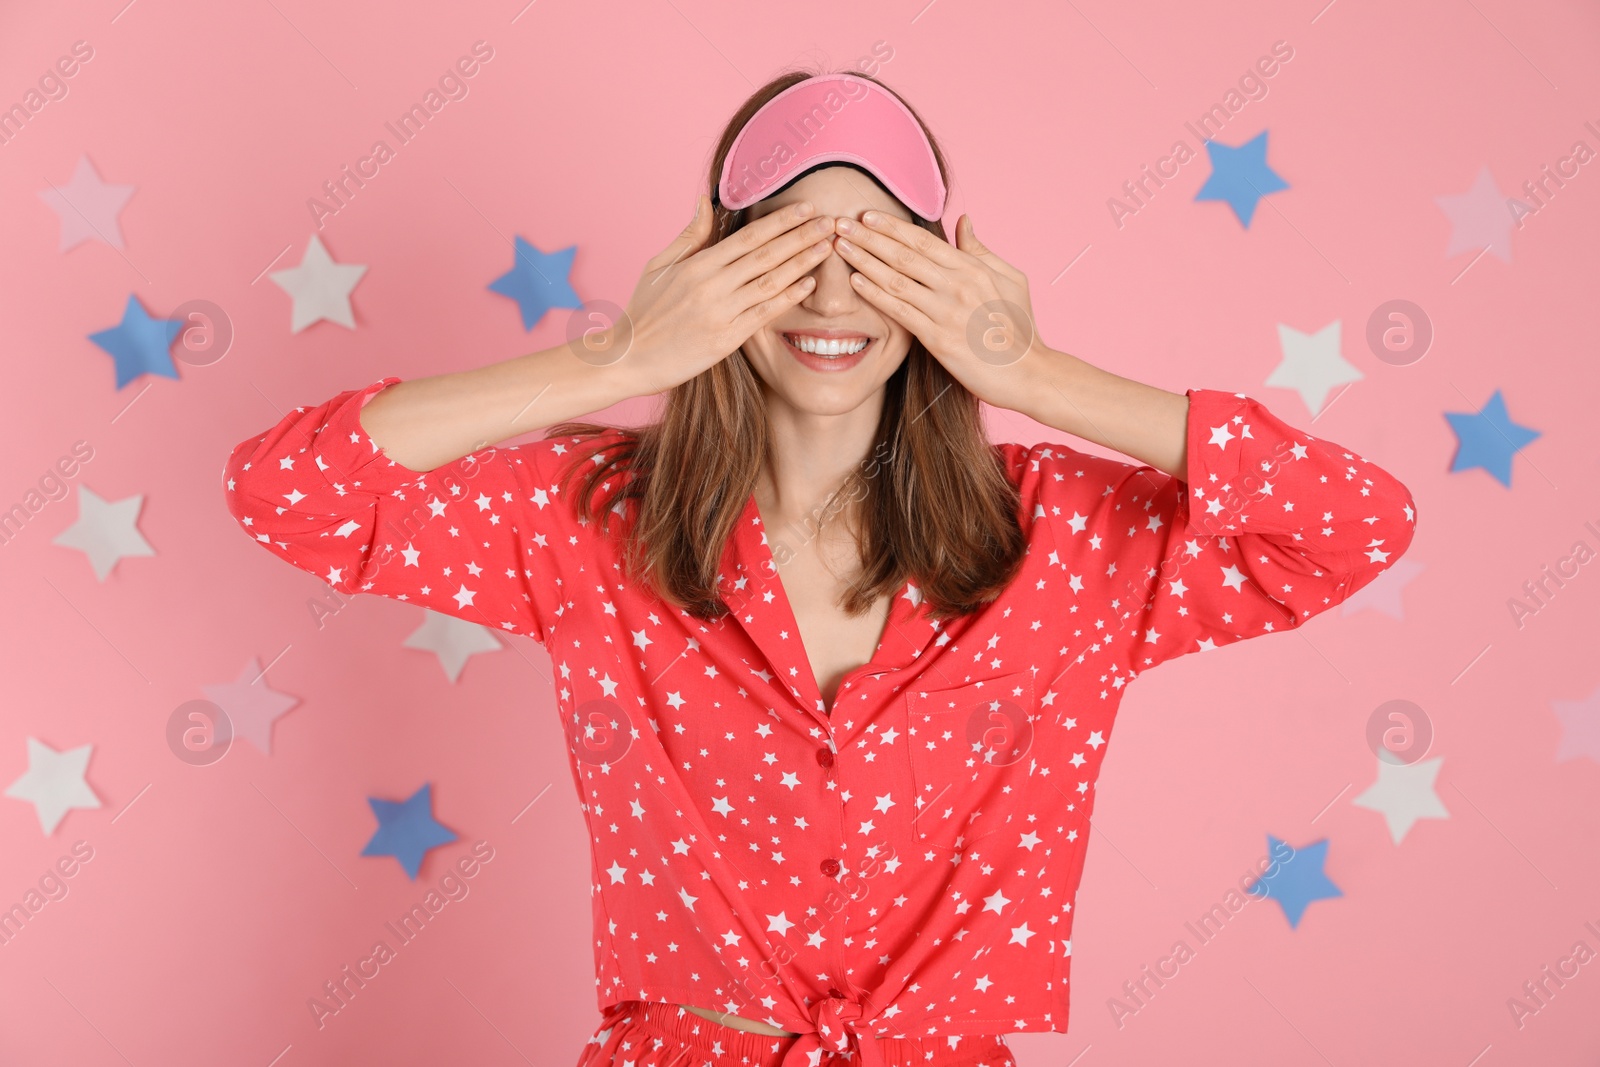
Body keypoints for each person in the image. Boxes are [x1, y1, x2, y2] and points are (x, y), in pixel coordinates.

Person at [223, 69, 1417, 1067]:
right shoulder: (592, 518)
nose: (834, 291)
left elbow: (1357, 523)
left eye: (881, 255)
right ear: (715, 268)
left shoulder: (1063, 536)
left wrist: (1037, 372)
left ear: (942, 280)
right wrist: (616, 354)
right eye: (790, 247)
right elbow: (286, 490)